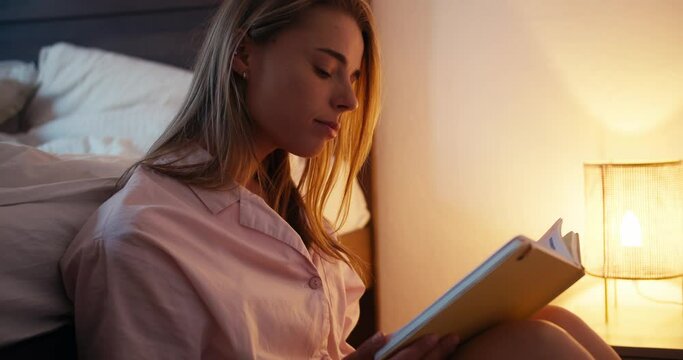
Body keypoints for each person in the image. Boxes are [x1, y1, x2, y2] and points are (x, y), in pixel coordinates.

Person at [60, 0, 621, 359]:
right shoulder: (140, 238)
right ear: (242, 55)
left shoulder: (281, 203)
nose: (350, 99)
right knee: (538, 343)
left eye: (352, 76)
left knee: (549, 316)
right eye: (325, 70)